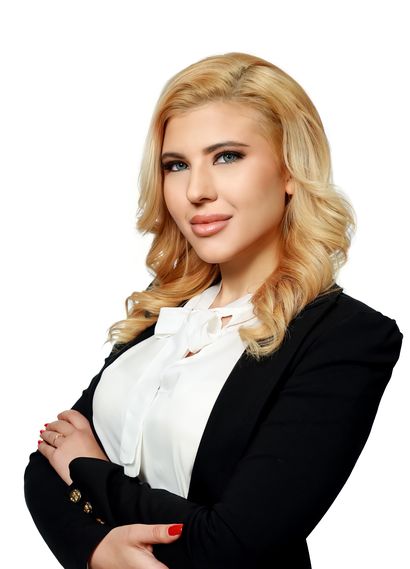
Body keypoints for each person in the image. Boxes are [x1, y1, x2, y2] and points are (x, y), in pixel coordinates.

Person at [24, 52, 403, 569]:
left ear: (291, 171)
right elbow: (45, 463)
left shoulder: (348, 337)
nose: (196, 191)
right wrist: (96, 551)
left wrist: (88, 469)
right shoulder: (166, 309)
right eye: (176, 165)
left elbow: (233, 543)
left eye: (226, 156)